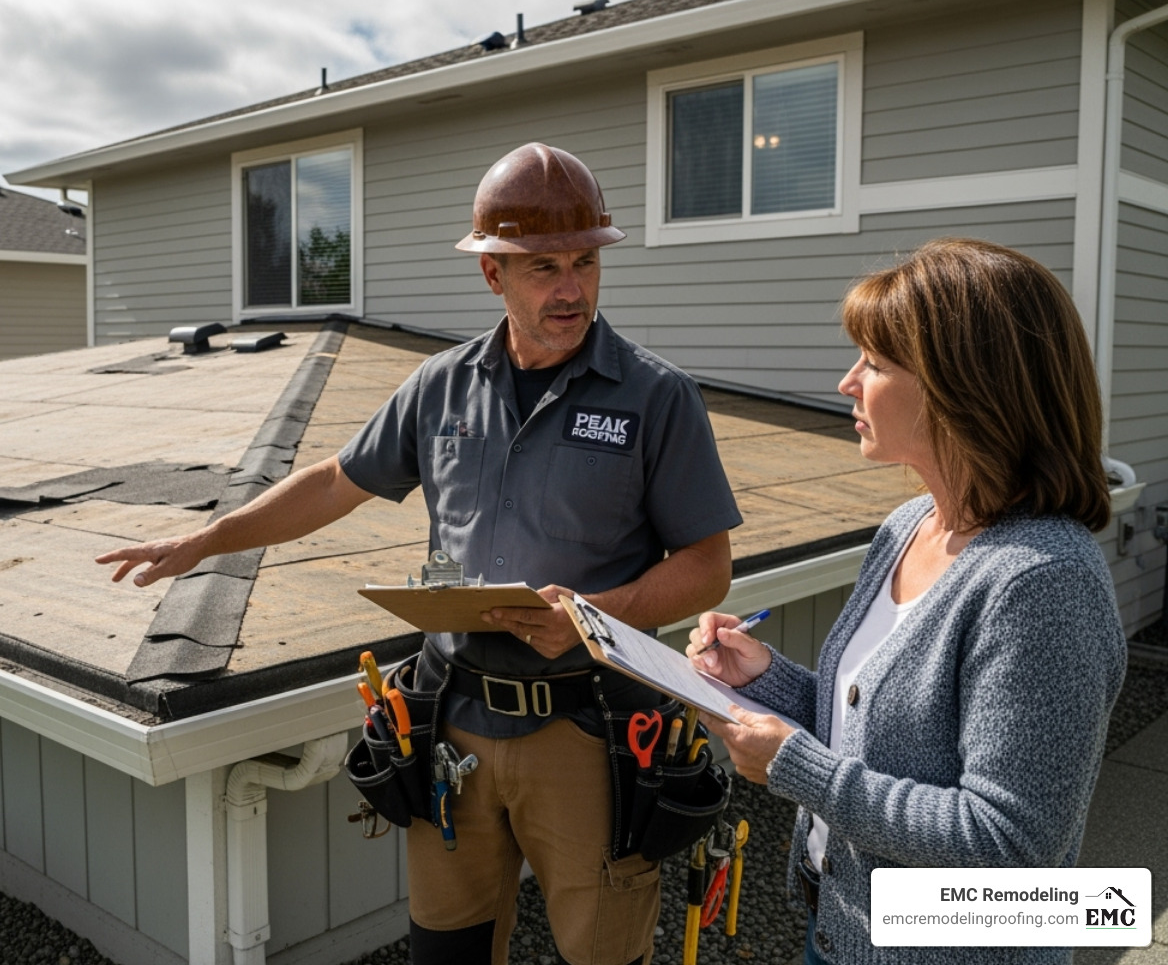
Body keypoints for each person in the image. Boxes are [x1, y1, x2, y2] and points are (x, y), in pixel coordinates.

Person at [98, 142, 742, 965]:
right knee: (448, 951)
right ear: (493, 276)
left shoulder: (658, 397)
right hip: (454, 728)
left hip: (585, 733)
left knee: (605, 955)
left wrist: (592, 619)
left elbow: (706, 566)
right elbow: (335, 480)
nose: (572, 288)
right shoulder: (441, 386)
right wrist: (206, 540)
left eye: (585, 261)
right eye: (543, 267)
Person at [687, 238, 1126, 965]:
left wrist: (797, 768)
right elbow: (874, 732)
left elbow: (1011, 847)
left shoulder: (1041, 581)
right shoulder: (906, 526)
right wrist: (761, 678)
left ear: (963, 387)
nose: (846, 382)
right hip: (839, 931)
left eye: (877, 364)